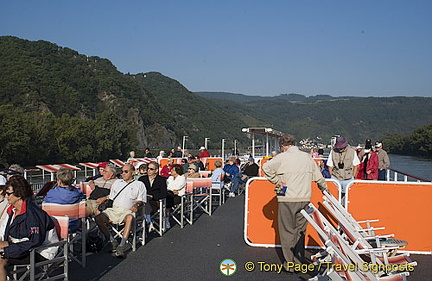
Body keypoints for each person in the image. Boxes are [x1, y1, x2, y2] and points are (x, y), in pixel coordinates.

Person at [262, 134, 328, 273]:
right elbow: (319, 177)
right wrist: (325, 190)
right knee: (300, 231)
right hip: (304, 198)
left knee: (287, 231)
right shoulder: (307, 157)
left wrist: (276, 181)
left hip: (286, 197)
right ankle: (298, 261)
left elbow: (266, 168)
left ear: (283, 146)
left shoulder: (281, 157)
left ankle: (289, 264)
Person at [0, 176, 59, 280]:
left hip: (40, 251)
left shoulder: (33, 213)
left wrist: (8, 251)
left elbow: (35, 241)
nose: (5, 196)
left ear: (19, 194)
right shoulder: (12, 210)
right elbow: (4, 233)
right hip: (22, 245)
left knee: (0, 260)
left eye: (8, 193)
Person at [94, 164, 146, 258]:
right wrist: (104, 198)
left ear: (133, 172)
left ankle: (121, 246)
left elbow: (141, 200)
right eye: (122, 171)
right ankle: (111, 240)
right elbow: (111, 196)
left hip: (127, 211)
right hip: (115, 209)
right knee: (98, 218)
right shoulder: (117, 183)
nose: (123, 173)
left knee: (130, 217)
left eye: (126, 171)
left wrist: (137, 204)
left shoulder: (139, 185)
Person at [327, 136, 360, 200]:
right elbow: (330, 165)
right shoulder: (333, 151)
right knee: (335, 197)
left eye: (341, 148)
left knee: (347, 198)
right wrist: (332, 176)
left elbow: (356, 165)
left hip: (348, 179)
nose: (340, 149)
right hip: (336, 177)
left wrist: (353, 176)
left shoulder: (352, 151)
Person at [138, 161, 167, 232]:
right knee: (144, 202)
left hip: (155, 201)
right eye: (148, 168)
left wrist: (152, 196)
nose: (148, 170)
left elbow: (164, 193)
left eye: (151, 169)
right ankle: (149, 222)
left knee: (145, 203)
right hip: (142, 200)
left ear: (156, 170)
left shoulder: (161, 180)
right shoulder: (142, 179)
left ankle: (148, 222)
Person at [165, 164, 186, 229]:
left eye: (173, 170)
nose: (171, 171)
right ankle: (165, 218)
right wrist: (172, 189)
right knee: (164, 199)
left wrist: (173, 190)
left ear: (177, 171)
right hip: (169, 194)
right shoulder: (170, 178)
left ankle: (166, 220)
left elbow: (176, 187)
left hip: (180, 196)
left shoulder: (182, 178)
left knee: (167, 202)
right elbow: (167, 187)